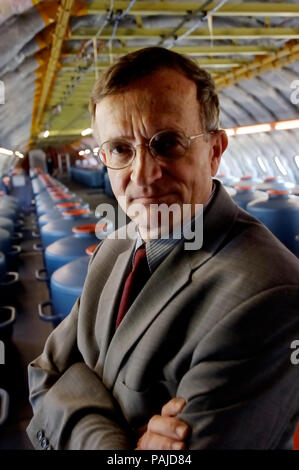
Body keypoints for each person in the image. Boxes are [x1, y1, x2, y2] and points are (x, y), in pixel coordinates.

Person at [27, 47, 299, 450]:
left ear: (215, 151)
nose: (143, 175)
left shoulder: (269, 294)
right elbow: (45, 375)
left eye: (167, 142)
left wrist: (78, 401)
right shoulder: (115, 247)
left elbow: (61, 388)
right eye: (120, 149)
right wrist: (117, 444)